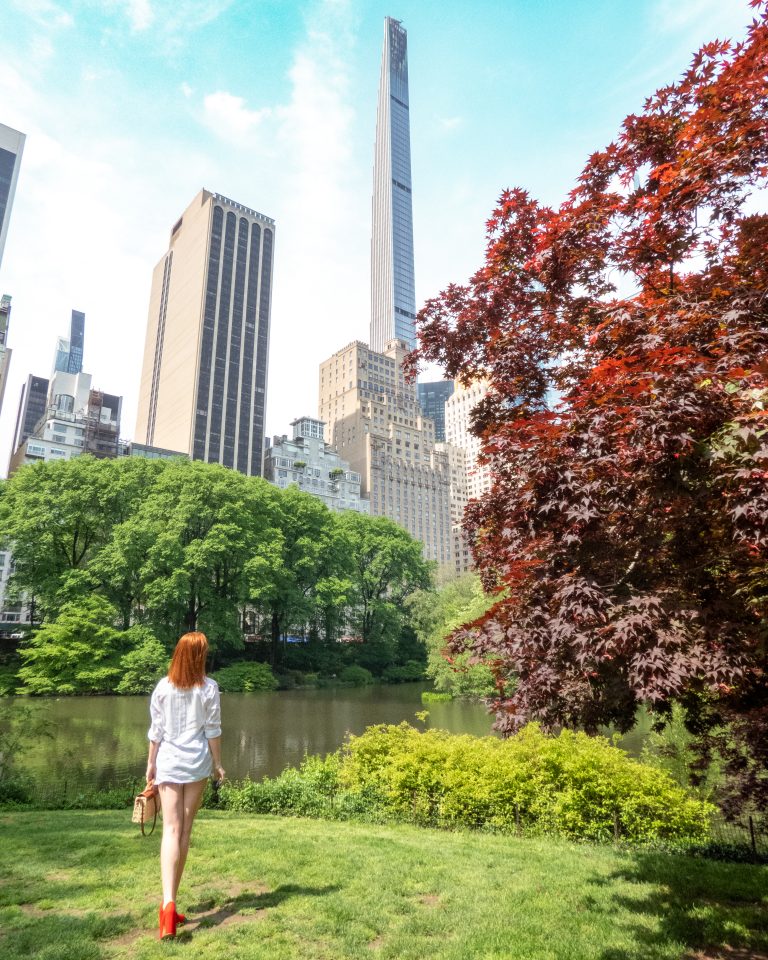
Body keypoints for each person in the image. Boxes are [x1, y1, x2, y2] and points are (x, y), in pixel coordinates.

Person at [145, 630, 225, 940]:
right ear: (199, 657)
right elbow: (213, 731)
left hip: (167, 761)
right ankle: (170, 905)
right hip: (195, 764)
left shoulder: (163, 687)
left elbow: (157, 731)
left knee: (170, 830)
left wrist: (151, 764)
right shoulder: (209, 689)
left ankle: (168, 905)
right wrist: (218, 765)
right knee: (185, 831)